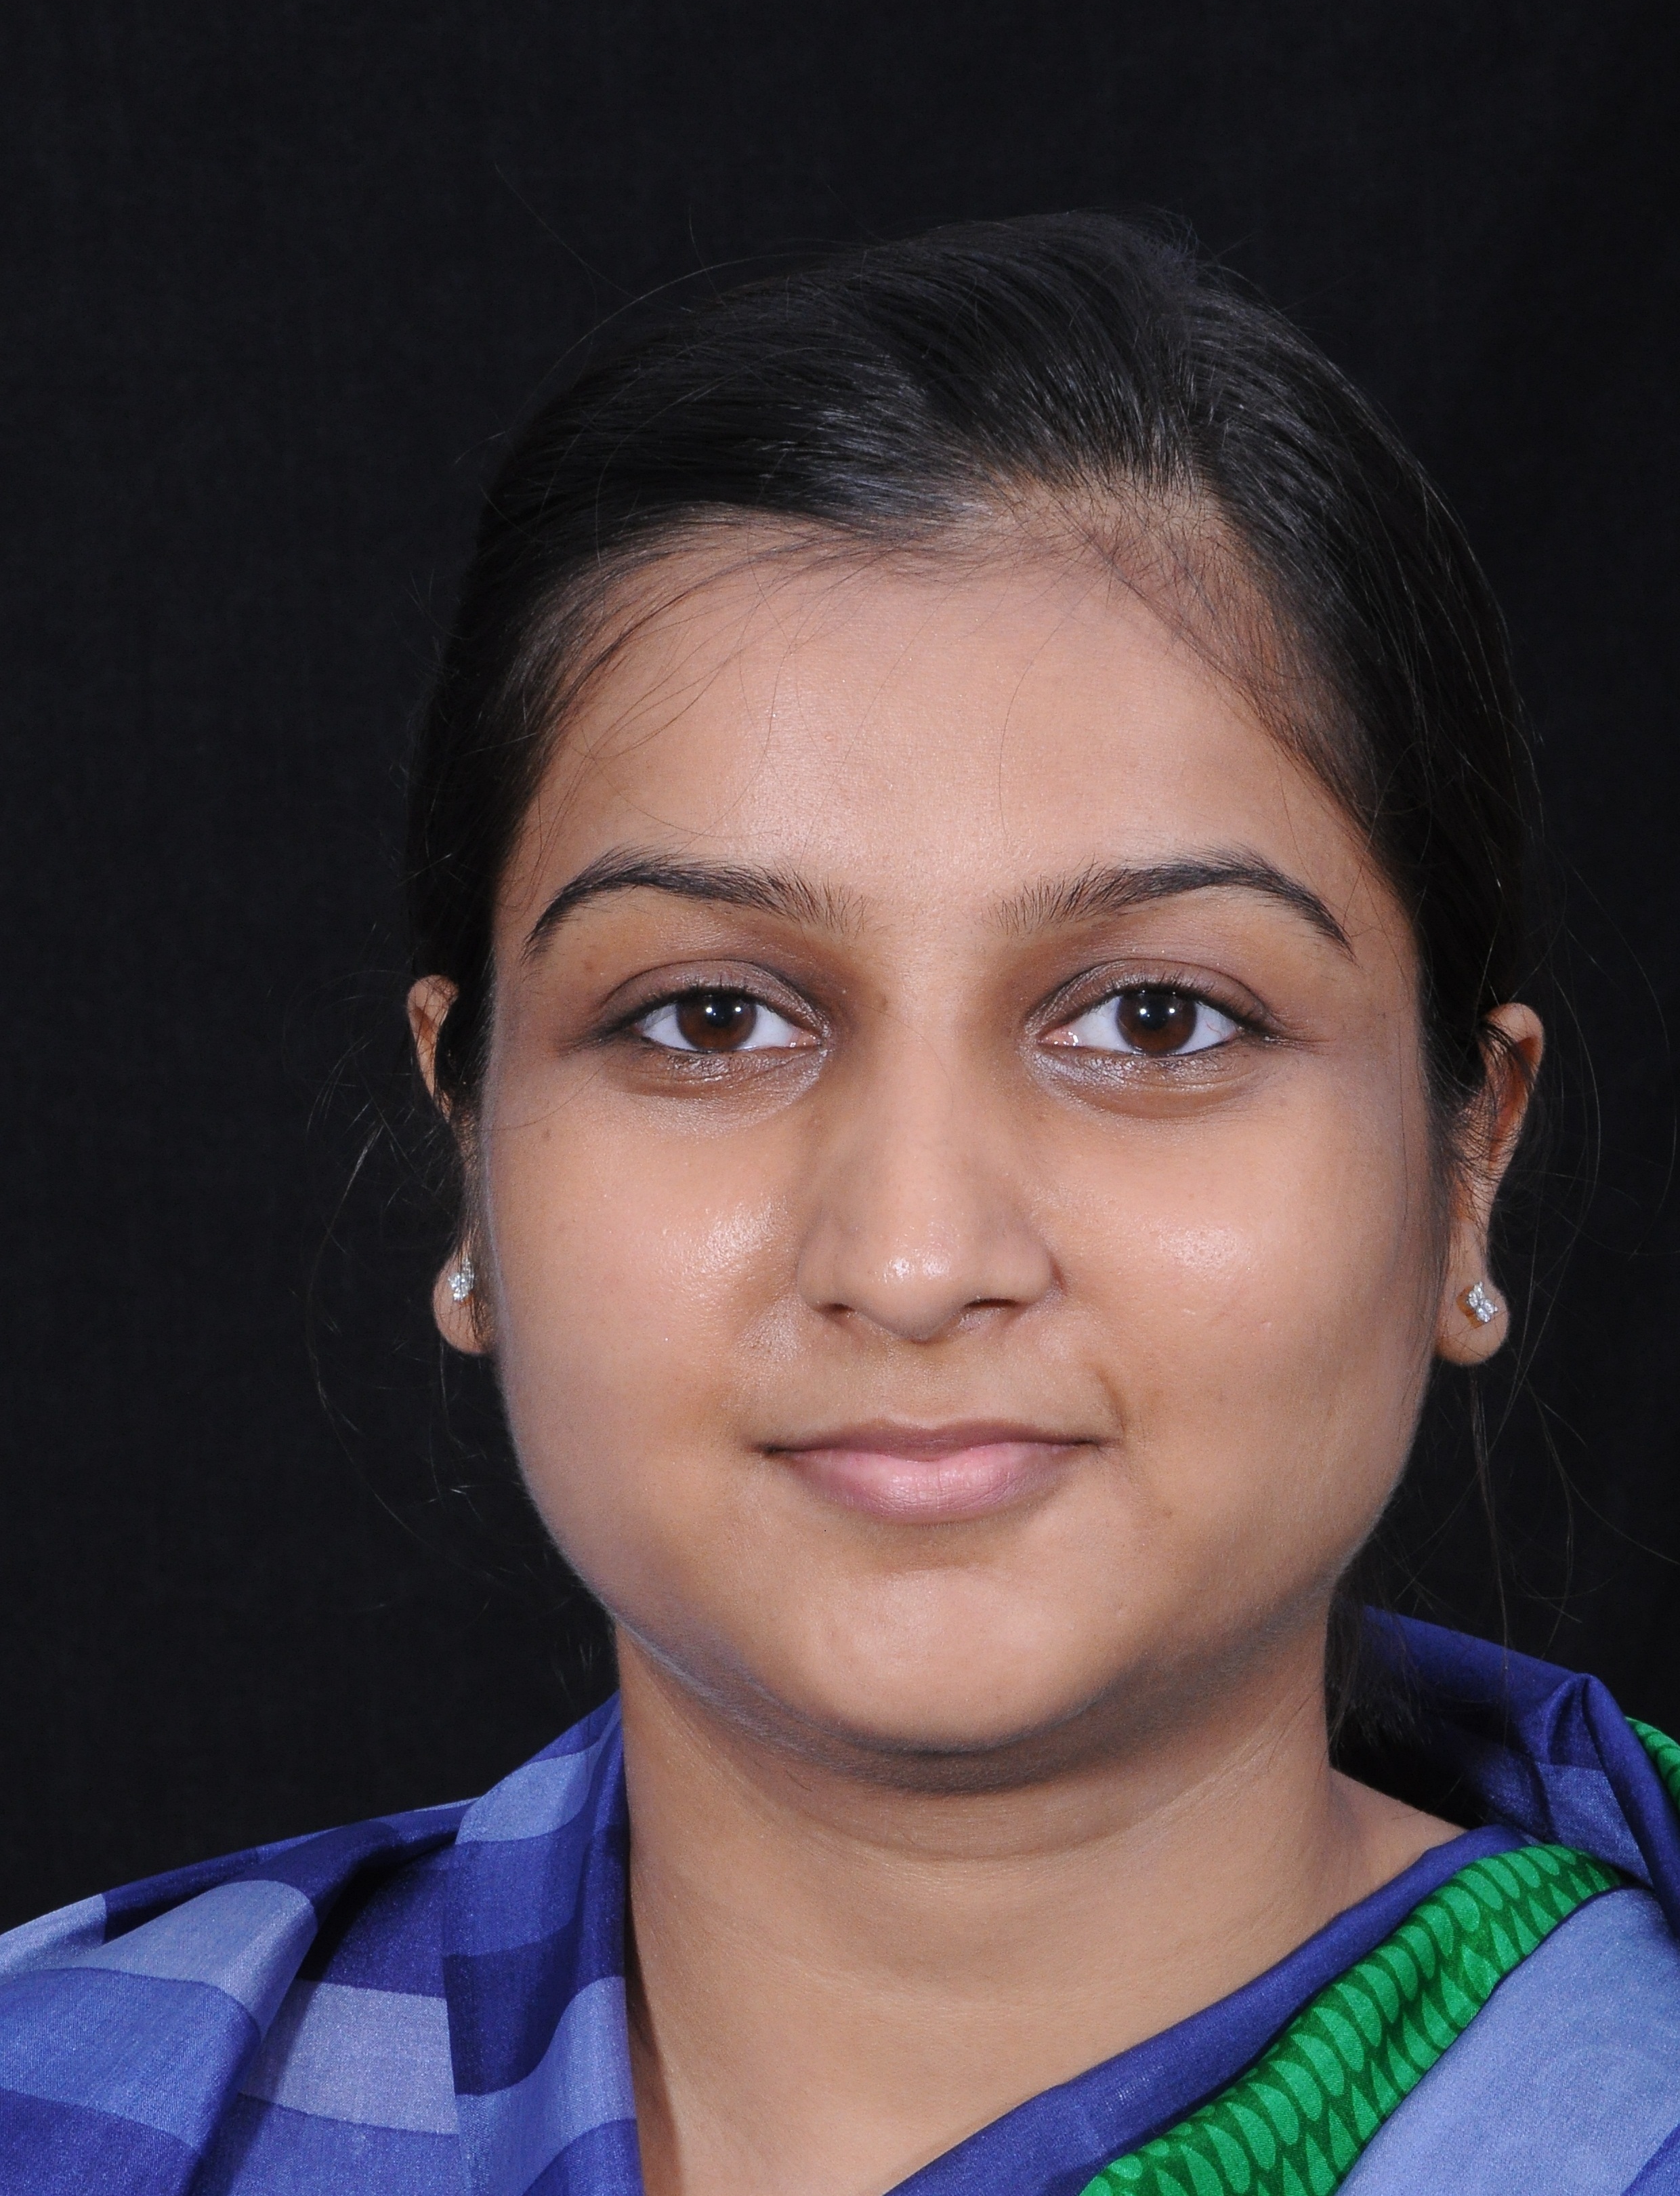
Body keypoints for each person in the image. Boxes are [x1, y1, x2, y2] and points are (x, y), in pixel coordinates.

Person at [1, 215, 1677, 2196]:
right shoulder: (76, 2113)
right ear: (470, 1141)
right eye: (710, 1018)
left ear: (1469, 1161)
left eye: (1155, 1018)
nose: (914, 1258)